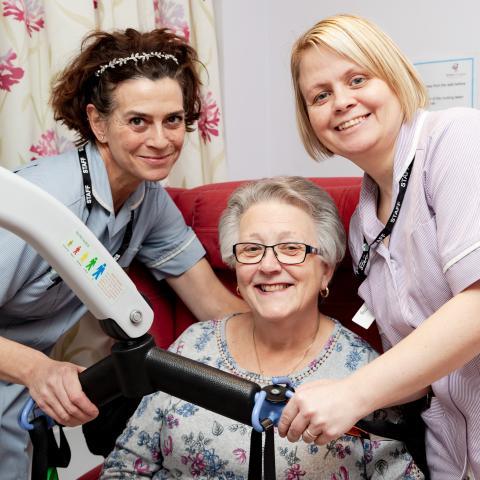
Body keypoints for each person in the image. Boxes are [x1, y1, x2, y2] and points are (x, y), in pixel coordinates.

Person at [0, 28, 245, 479]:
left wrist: (305, 350)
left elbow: (211, 304)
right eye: (138, 121)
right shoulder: (43, 203)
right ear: (97, 123)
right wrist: (37, 368)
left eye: (172, 120)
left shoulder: (147, 200)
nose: (160, 139)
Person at [100, 176, 424, 479]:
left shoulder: (362, 371)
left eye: (291, 248)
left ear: (325, 271)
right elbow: (126, 465)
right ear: (236, 269)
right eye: (252, 250)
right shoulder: (193, 345)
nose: (268, 266)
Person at [279, 13, 480, 479]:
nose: (342, 102)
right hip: (450, 446)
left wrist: (353, 394)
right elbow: (413, 367)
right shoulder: (362, 224)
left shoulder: (457, 139)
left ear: (393, 76)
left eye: (357, 78)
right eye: (321, 95)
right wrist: (312, 391)